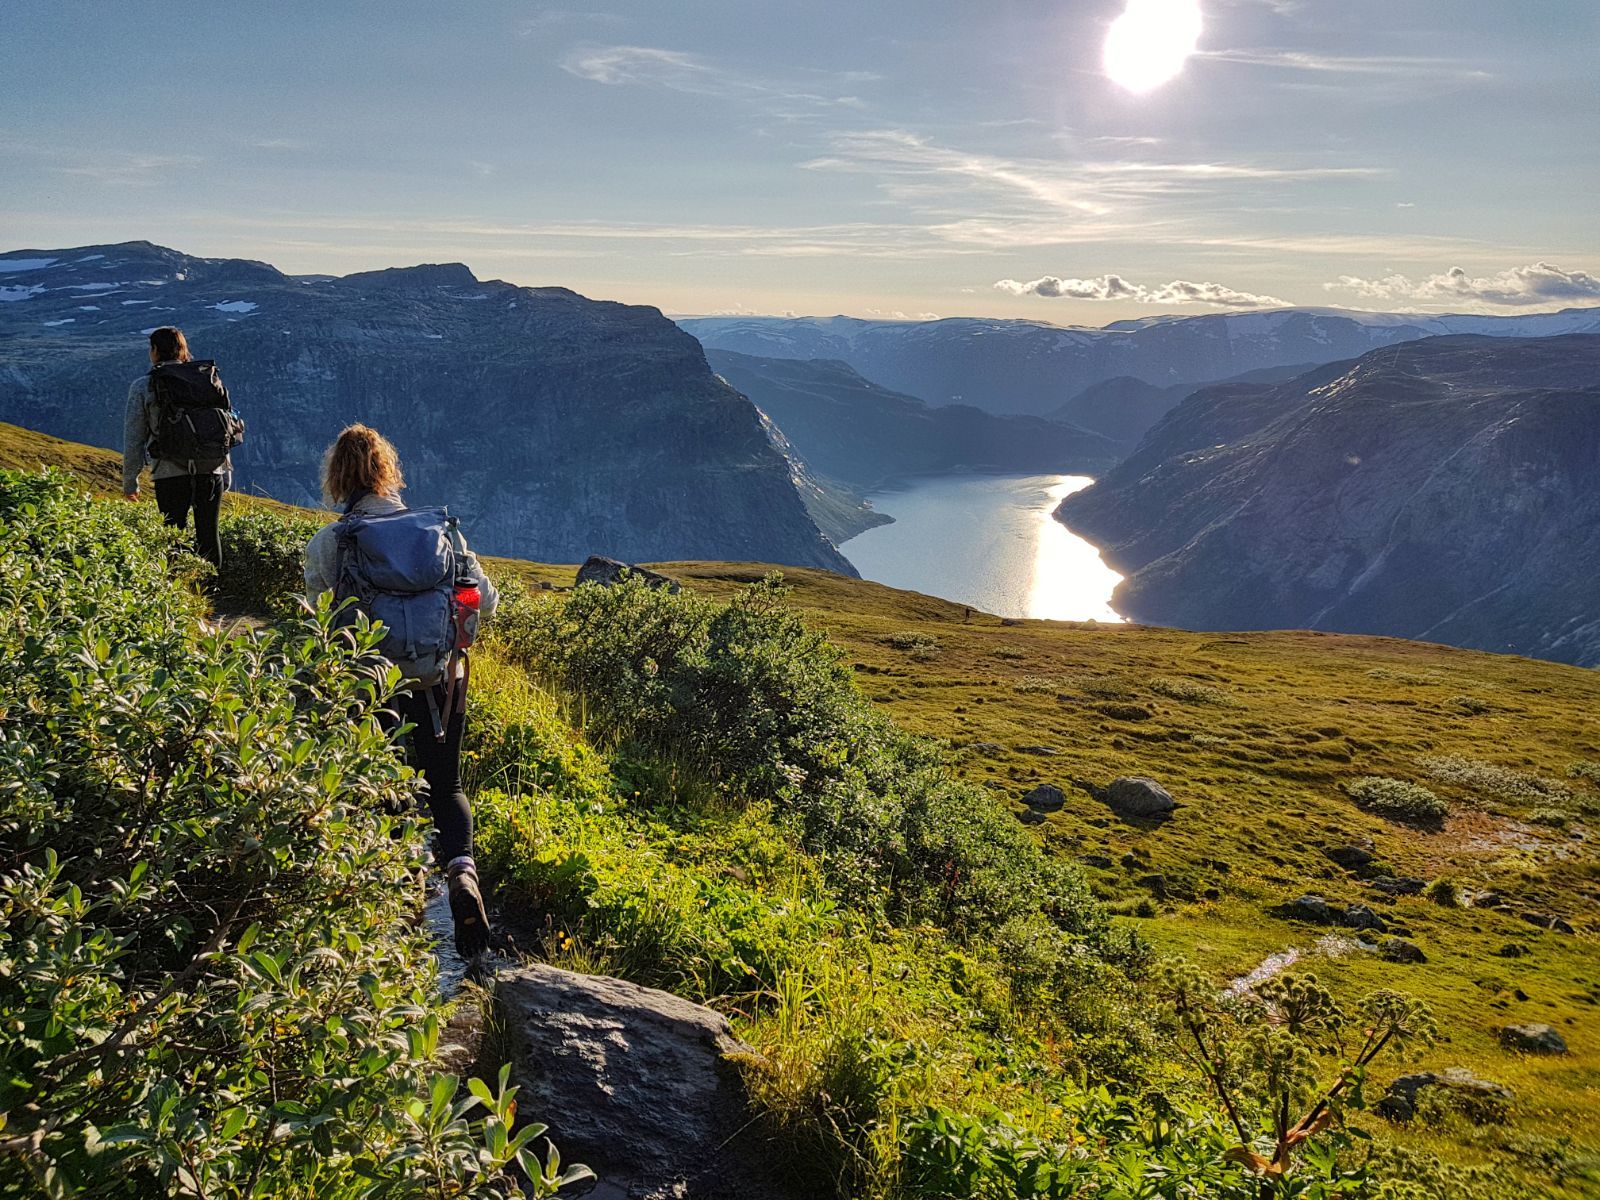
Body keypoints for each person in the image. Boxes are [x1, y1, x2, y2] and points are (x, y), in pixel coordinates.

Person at [304, 424, 499, 957]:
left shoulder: (330, 543)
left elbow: (323, 621)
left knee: (381, 787)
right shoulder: (443, 532)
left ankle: (400, 902)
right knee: (447, 783)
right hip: (443, 678)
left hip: (373, 685)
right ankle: (463, 875)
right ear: (388, 470)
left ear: (338, 479)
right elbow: (485, 600)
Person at [122, 326, 240, 570]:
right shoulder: (207, 379)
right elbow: (223, 426)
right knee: (208, 533)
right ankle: (209, 594)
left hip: (170, 470)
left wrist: (130, 481)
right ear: (182, 350)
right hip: (211, 469)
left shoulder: (145, 385)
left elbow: (134, 438)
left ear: (154, 350)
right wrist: (225, 469)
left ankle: (180, 596)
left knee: (174, 534)